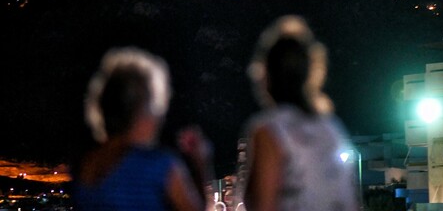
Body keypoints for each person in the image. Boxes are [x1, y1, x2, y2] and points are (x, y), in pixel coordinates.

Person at [239, 15, 360, 211]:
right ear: (310, 75)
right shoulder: (332, 129)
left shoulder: (269, 130)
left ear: (265, 74)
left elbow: (264, 205)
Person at [71, 46, 213, 211]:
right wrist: (201, 163)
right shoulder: (160, 165)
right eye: (157, 105)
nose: (161, 117)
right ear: (143, 110)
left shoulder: (86, 165)